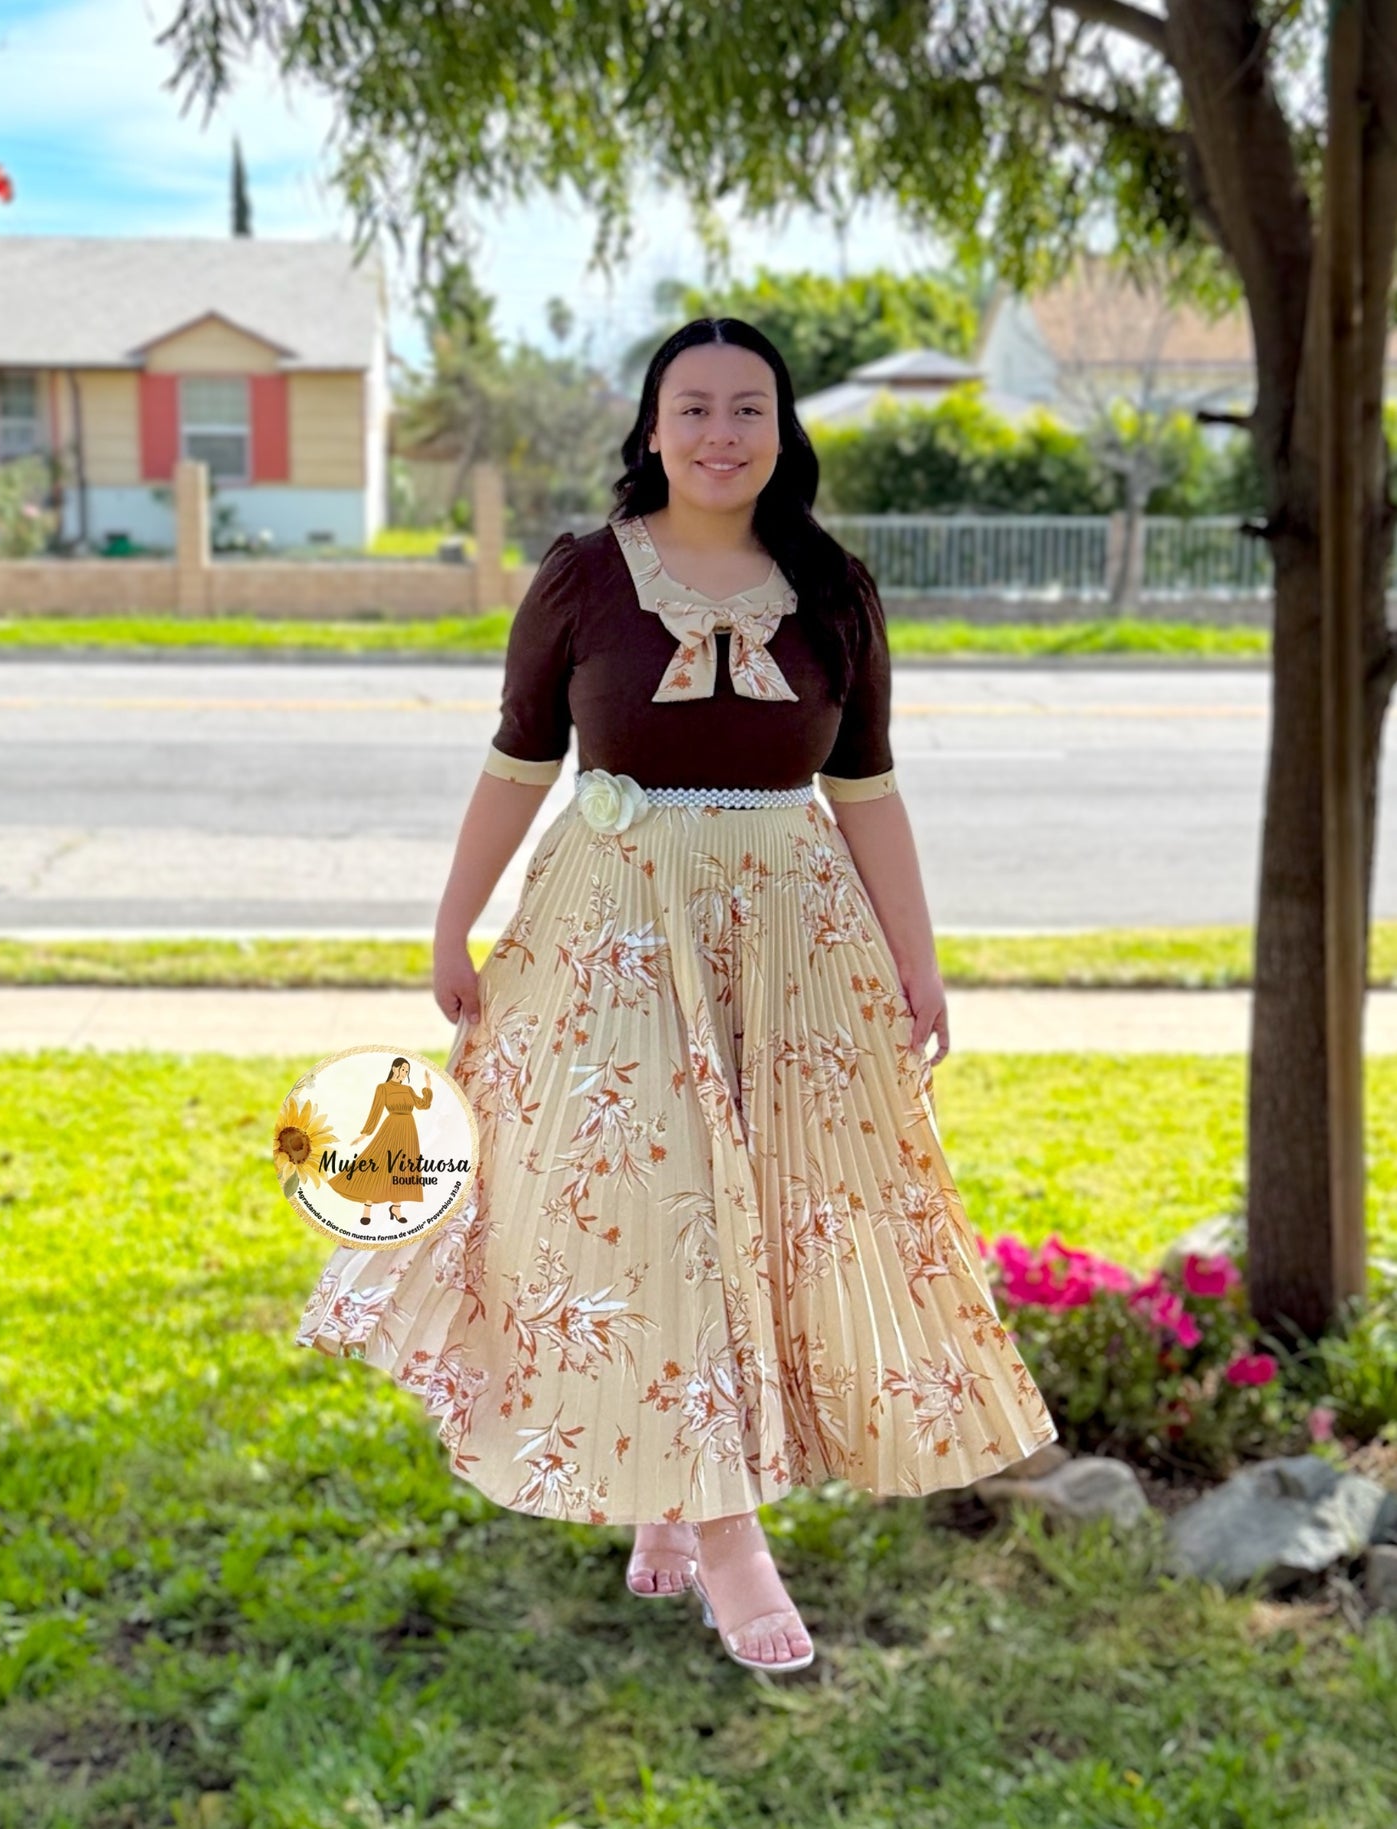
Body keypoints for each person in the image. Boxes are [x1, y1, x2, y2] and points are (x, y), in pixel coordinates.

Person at [298, 317, 1058, 1675]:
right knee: (662, 1201)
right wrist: (451, 915)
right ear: (651, 428)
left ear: (782, 432)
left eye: (747, 408)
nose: (720, 432)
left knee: (749, 1200)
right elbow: (518, 758)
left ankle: (671, 1483)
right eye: (692, 406)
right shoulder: (585, 577)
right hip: (614, 927)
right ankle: (727, 1536)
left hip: (789, 936)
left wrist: (916, 954)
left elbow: (869, 786)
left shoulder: (833, 587)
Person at [325, 1056, 434, 1229]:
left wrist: (427, 1087)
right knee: (379, 1165)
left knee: (403, 1168)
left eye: (407, 1071)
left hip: (408, 1130)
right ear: (394, 1068)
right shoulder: (383, 1088)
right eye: (402, 1069)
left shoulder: (408, 1089)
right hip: (391, 1128)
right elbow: (375, 1111)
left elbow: (422, 1105)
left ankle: (396, 1209)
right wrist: (365, 1134)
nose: (404, 1073)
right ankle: (367, 1210)